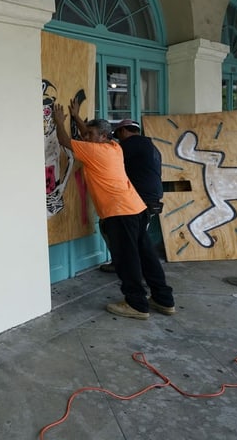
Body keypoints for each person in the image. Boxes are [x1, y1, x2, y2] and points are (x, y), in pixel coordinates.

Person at [53, 99, 175, 319]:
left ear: (102, 137)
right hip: (136, 208)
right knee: (147, 255)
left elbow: (65, 140)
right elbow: (89, 135)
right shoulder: (114, 147)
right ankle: (163, 299)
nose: (85, 137)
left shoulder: (94, 152)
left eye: (90, 135)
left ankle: (136, 304)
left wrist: (58, 121)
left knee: (127, 259)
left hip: (119, 214)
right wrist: (78, 117)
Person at [99, 118, 164, 272]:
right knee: (132, 234)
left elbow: (104, 155)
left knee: (127, 234)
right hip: (150, 196)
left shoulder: (132, 143)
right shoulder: (149, 145)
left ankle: (132, 268)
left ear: (123, 131)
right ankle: (129, 266)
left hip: (140, 198)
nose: (118, 140)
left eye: (118, 135)